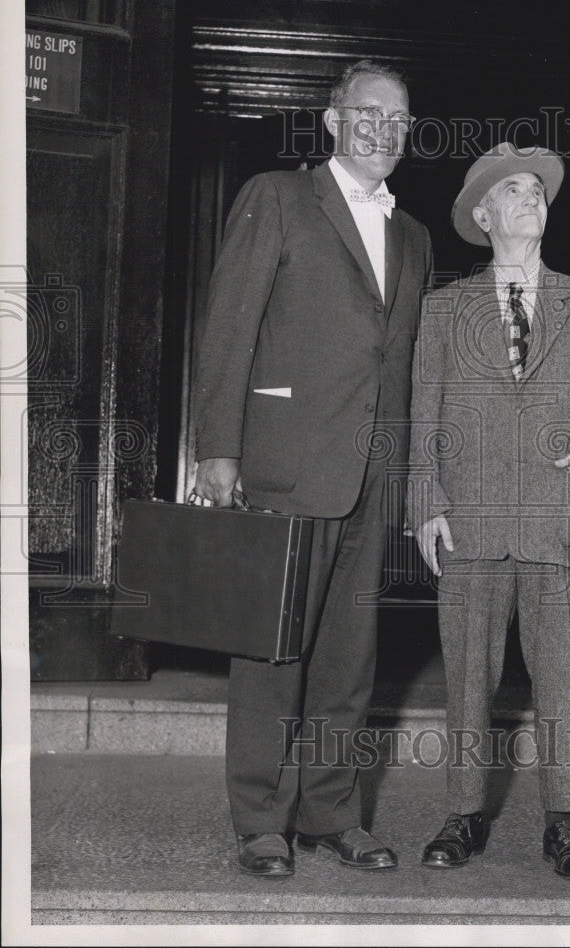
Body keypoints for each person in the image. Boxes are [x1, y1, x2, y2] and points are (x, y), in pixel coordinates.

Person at [194, 60, 433, 876]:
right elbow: (230, 323)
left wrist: (402, 478)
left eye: (399, 120)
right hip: (285, 465)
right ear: (332, 122)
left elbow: (397, 366)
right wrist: (217, 447)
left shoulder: (414, 236)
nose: (384, 130)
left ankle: (332, 812)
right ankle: (260, 819)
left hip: (369, 476)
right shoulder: (280, 196)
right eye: (368, 113)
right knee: (271, 653)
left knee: (349, 657)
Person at [407, 143, 570, 879]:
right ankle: (461, 813)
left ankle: (566, 824)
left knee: (560, 683)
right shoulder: (443, 310)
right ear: (482, 215)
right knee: (466, 681)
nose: (531, 198)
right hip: (469, 522)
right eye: (512, 190)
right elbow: (423, 418)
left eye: (538, 190)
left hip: (554, 522)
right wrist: (425, 502)